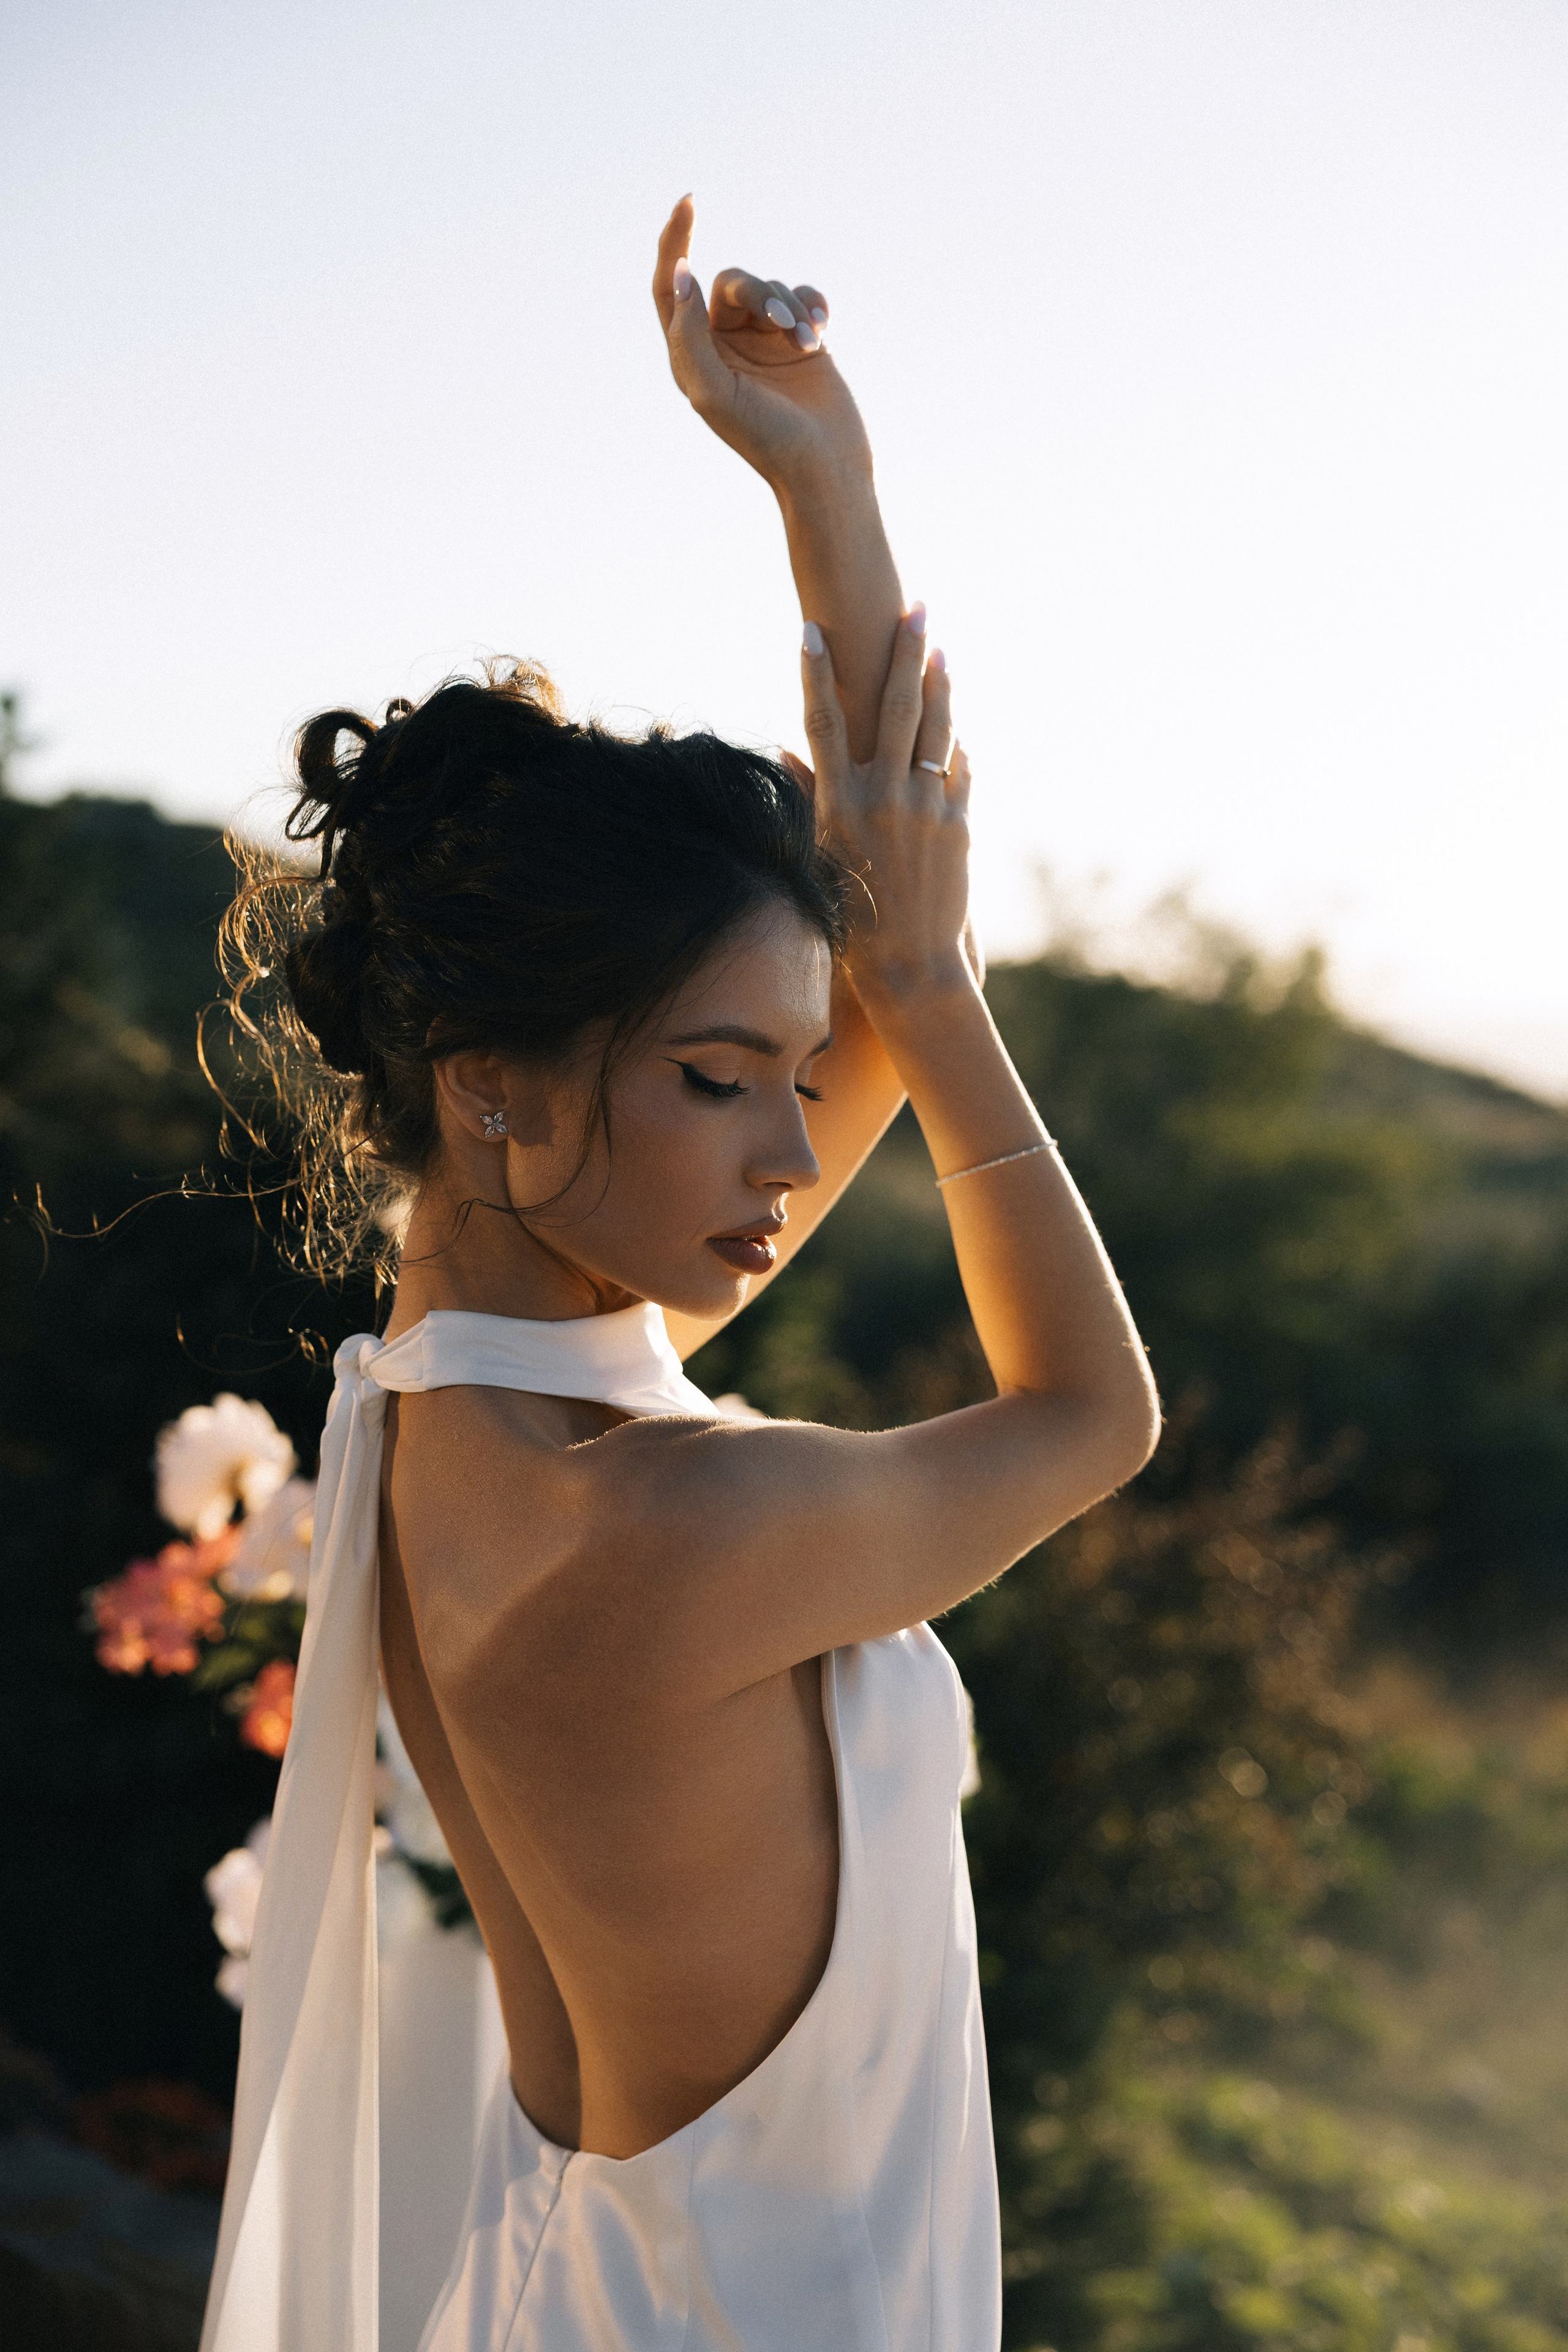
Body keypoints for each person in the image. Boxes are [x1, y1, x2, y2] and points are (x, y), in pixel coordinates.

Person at [198, 198, 1160, 2352]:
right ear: (500, 1092)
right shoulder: (649, 1529)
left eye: (787, 1074)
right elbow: (1097, 1420)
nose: (796, 1146)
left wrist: (829, 487)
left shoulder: (466, 1390)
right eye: (728, 1081)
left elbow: (868, 996)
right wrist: (925, 976)